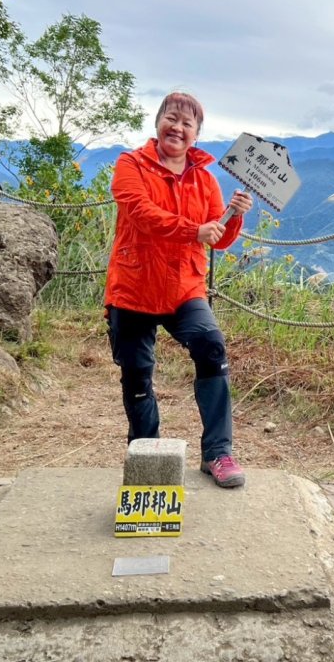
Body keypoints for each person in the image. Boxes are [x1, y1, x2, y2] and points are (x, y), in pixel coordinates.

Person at [104, 91, 253, 488]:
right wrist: (193, 230)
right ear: (158, 123)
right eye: (172, 118)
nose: (178, 127)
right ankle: (147, 456)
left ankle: (218, 453)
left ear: (196, 134)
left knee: (211, 347)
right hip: (134, 287)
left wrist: (233, 216)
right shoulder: (129, 165)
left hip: (184, 287)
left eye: (188, 124)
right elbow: (140, 212)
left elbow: (217, 239)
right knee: (137, 376)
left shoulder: (205, 178)